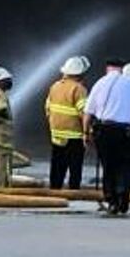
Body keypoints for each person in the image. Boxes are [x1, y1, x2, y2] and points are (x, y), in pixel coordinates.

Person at [83, 57, 130, 215]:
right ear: (121, 68)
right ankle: (123, 199)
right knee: (126, 166)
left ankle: (111, 201)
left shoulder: (100, 83)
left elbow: (88, 112)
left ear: (107, 69)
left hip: (105, 131)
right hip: (127, 132)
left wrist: (85, 133)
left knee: (109, 166)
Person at [46, 55, 90, 189]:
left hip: (56, 135)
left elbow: (47, 109)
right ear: (80, 73)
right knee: (75, 168)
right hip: (74, 136)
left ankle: (54, 191)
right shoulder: (79, 89)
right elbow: (84, 113)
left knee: (57, 167)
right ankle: (73, 193)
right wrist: (87, 132)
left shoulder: (55, 86)